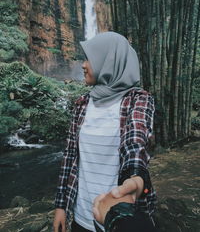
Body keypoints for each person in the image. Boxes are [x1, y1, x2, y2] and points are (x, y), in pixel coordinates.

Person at [53, 32, 157, 232]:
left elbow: (134, 142)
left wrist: (135, 177)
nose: (83, 65)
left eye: (89, 59)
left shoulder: (137, 100)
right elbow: (70, 157)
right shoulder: (82, 103)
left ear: (109, 62)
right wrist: (61, 206)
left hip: (118, 218)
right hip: (82, 215)